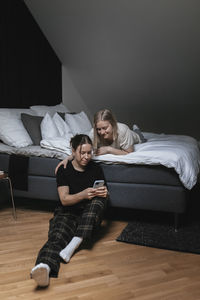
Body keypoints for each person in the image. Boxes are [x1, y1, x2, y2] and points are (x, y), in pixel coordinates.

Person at [30, 134, 108, 287]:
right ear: (73, 151)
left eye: (89, 152)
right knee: (57, 236)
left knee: (100, 200)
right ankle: (44, 268)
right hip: (68, 211)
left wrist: (104, 192)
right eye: (82, 153)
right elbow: (64, 199)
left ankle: (74, 244)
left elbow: (104, 192)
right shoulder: (64, 170)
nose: (86, 156)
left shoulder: (96, 168)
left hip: (89, 215)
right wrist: (83, 194)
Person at [55, 109, 141, 173]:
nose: (102, 132)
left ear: (113, 124)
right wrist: (67, 159)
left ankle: (137, 130)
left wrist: (108, 149)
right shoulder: (93, 133)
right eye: (99, 129)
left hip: (134, 137)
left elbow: (129, 152)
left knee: (141, 137)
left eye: (105, 128)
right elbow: (82, 149)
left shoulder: (123, 130)